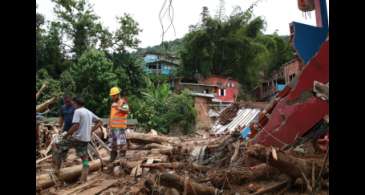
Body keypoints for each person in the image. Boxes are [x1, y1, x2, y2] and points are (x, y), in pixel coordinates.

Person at [52, 96, 102, 184]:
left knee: (57, 145)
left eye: (73, 103)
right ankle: (83, 178)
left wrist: (66, 135)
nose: (72, 105)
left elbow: (75, 126)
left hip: (77, 138)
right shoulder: (88, 112)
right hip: (85, 139)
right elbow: (100, 121)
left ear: (76, 103)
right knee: (85, 158)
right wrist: (91, 130)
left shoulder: (77, 111)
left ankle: (57, 170)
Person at [108, 87, 129, 164]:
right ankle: (112, 159)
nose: (112, 97)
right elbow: (111, 115)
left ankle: (122, 159)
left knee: (122, 143)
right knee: (113, 144)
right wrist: (109, 125)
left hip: (120, 127)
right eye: (112, 95)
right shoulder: (113, 104)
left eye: (113, 95)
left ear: (117, 95)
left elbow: (126, 111)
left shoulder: (123, 102)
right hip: (113, 127)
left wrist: (118, 108)